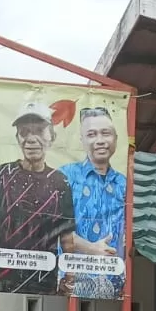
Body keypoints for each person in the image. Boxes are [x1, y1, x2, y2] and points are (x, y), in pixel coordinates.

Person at [0, 103, 75, 293]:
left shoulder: (60, 182)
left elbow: (66, 237)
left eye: (40, 131)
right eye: (25, 132)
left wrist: (69, 277)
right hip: (4, 279)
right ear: (17, 138)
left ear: (51, 137)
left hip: (45, 280)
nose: (31, 139)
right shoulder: (3, 174)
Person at [59, 106, 129, 299]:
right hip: (71, 283)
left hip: (114, 286)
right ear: (82, 140)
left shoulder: (125, 185)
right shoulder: (65, 176)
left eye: (105, 133)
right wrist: (92, 248)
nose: (100, 141)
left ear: (115, 138)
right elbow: (53, 228)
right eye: (92, 134)